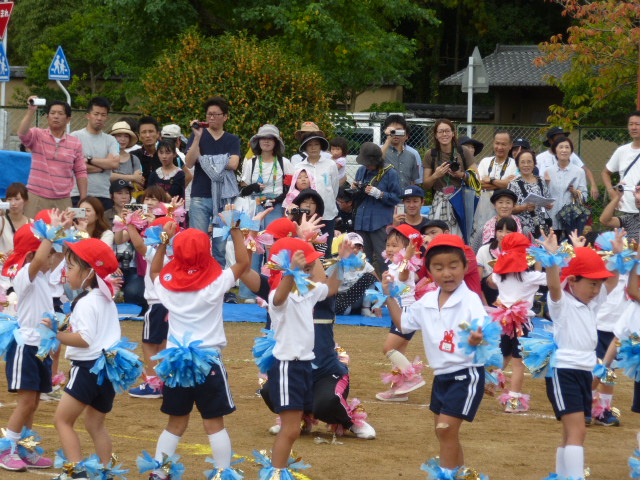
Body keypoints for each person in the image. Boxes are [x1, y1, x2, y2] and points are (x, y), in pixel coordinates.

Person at [145, 219, 249, 479]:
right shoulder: (214, 285)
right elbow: (243, 264)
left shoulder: (168, 287)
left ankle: (158, 472)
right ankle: (222, 473)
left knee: (175, 423)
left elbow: (155, 273)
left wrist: (163, 243)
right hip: (208, 361)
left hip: (177, 364)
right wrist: (235, 229)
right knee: (214, 424)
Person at [382, 234, 486, 473]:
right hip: (442, 377)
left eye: (453, 266)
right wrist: (389, 296)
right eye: (438, 267)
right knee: (445, 434)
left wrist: (477, 337)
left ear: (465, 267)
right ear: (429, 271)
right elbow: (403, 323)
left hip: (466, 374)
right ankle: (459, 475)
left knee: (445, 430)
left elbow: (482, 327)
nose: (446, 273)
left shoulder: (470, 300)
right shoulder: (427, 300)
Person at [262, 236, 357, 474]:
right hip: (286, 366)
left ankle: (278, 472)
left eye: (308, 266)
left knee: (292, 429)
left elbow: (332, 288)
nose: (310, 269)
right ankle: (276, 473)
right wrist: (290, 272)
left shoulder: (308, 290)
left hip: (303, 365)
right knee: (291, 429)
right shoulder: (278, 295)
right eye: (306, 266)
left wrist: (342, 264)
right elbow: (280, 298)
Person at [536, 230, 621, 479]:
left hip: (585, 372)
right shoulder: (561, 303)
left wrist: (616, 256)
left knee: (570, 432)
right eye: (592, 283)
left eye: (598, 284)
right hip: (564, 372)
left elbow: (612, 282)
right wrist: (551, 259)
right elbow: (553, 285)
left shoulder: (591, 304)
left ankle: (565, 476)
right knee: (578, 431)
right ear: (572, 281)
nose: (596, 289)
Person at [48, 238, 121, 478]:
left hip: (87, 368)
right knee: (95, 424)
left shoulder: (87, 302)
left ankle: (77, 470)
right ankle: (104, 471)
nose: (66, 273)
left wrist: (55, 334)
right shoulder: (105, 298)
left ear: (89, 272)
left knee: (62, 420)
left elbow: (84, 339)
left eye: (70, 268)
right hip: (107, 370)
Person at [0, 222, 57, 472]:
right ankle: (6, 448)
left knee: (33, 403)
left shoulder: (42, 276)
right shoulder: (26, 275)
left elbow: (50, 256)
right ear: (33, 255)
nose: (52, 258)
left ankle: (24, 446)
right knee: (26, 402)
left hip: (40, 347)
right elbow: (38, 259)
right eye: (48, 253)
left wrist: (63, 230)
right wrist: (50, 232)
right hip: (26, 347)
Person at [489, 232, 546, 413]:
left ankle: (489, 381)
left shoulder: (498, 276)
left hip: (503, 319)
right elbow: (554, 280)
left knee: (504, 355)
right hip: (521, 323)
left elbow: (491, 279)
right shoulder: (530, 277)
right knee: (518, 362)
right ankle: (513, 399)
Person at [238, 124, 293, 302]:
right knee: (251, 246)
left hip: (276, 207)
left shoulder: (285, 163)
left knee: (274, 249)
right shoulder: (251, 161)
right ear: (258, 141)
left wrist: (277, 200)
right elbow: (243, 189)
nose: (266, 141)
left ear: (276, 142)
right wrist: (253, 187)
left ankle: (273, 291)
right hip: (254, 206)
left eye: (270, 138)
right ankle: (248, 293)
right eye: (263, 138)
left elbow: (290, 189)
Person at [185, 96, 241, 270]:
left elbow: (234, 163)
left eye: (216, 114)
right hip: (200, 196)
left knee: (220, 245)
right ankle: (197, 279)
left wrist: (205, 159)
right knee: (197, 242)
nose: (212, 118)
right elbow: (189, 162)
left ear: (225, 117)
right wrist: (196, 138)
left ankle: (218, 282)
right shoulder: (197, 136)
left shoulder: (232, 139)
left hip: (224, 200)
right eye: (209, 114)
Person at [376, 224, 426, 402]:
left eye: (394, 245)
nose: (389, 249)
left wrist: (408, 258)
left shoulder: (406, 266)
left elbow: (405, 276)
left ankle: (413, 378)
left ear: (407, 249)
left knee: (388, 349)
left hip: (407, 313)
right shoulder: (392, 266)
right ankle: (399, 390)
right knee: (399, 353)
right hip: (399, 312)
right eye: (388, 245)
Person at [17, 97, 87, 217]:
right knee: (33, 233)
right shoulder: (37, 134)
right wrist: (31, 110)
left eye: (60, 113)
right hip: (35, 197)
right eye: (52, 113)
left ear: (68, 119)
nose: (56, 116)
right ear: (47, 117)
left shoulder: (75, 143)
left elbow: (81, 171)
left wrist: (84, 198)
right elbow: (22, 134)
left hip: (63, 199)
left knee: (62, 234)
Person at [422, 119, 477, 238]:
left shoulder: (463, 151)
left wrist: (461, 175)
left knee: (460, 236)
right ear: (436, 135)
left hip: (460, 199)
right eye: (440, 131)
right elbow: (425, 185)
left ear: (453, 133)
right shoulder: (430, 154)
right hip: (440, 199)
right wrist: (436, 175)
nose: (444, 134)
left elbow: (476, 178)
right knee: (437, 236)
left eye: (447, 131)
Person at [352, 142, 401, 275]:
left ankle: (388, 287)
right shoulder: (361, 171)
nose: (367, 165)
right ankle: (362, 289)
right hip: (361, 221)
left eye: (369, 163)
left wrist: (380, 194)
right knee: (362, 258)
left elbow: (397, 198)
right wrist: (355, 190)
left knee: (383, 257)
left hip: (379, 222)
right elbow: (356, 198)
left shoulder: (390, 173)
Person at [70, 97, 120, 211]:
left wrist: (88, 160)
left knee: (102, 228)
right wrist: (103, 167)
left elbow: (114, 164)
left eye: (103, 115)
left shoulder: (110, 140)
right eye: (96, 114)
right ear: (88, 115)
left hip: (103, 195)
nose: (99, 118)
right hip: (77, 195)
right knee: (78, 227)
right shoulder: (75, 137)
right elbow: (74, 166)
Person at [295, 126, 339, 249]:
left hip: (327, 213)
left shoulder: (330, 164)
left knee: (325, 248)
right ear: (305, 148)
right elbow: (296, 190)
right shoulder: (299, 166)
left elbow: (334, 188)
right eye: (309, 145)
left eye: (316, 144)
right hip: (306, 214)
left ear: (321, 146)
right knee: (306, 247)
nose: (313, 147)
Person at [109, 180, 146, 309]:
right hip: (113, 265)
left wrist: (147, 222)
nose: (124, 196)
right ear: (111, 196)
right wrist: (120, 220)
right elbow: (118, 240)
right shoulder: (105, 215)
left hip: (136, 266)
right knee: (109, 293)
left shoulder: (142, 217)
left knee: (133, 294)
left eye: (127, 193)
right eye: (119, 193)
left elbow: (165, 241)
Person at [472, 131, 517, 238]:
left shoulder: (514, 164)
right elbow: (478, 184)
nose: (499, 147)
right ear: (493, 143)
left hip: (504, 210)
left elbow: (511, 185)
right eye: (497, 143)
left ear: (510, 146)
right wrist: (503, 184)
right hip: (483, 209)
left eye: (503, 144)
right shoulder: (485, 161)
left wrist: (490, 180)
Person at [537, 126, 598, 200]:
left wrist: (593, 185)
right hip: (550, 205)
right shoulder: (540, 158)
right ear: (550, 140)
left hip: (569, 206)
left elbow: (585, 170)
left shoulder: (573, 159)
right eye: (558, 138)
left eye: (567, 147)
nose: (564, 150)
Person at [544, 136, 588, 238]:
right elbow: (545, 194)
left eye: (567, 147)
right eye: (561, 147)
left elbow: (585, 196)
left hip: (571, 217)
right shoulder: (548, 171)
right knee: (552, 248)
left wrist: (574, 192)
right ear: (555, 150)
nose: (564, 150)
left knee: (571, 247)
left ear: (571, 151)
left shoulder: (579, 172)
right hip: (552, 216)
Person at [508, 150, 554, 238]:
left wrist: (548, 205)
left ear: (534, 164)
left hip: (541, 226)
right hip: (522, 227)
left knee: (542, 250)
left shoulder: (541, 181)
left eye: (529, 162)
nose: (526, 165)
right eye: (522, 162)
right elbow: (509, 208)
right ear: (518, 165)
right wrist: (523, 207)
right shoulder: (513, 184)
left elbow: (547, 199)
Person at [602, 111, 640, 214]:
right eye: (631, 124)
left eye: (637, 124)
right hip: (624, 208)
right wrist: (612, 193)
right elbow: (605, 173)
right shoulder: (622, 151)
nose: (633, 127)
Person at [476, 216, 519, 306]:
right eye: (500, 231)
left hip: (513, 295)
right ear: (495, 232)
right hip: (489, 294)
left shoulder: (520, 252)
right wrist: (485, 306)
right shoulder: (483, 250)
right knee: (494, 278)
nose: (503, 235)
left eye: (508, 232)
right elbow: (477, 281)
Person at [381, 114, 420, 191]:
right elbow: (377, 161)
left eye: (399, 130)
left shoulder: (411, 155)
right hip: (385, 198)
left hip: (405, 199)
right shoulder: (380, 151)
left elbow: (413, 182)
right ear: (386, 131)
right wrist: (388, 139)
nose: (395, 133)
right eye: (392, 130)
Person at [110, 121, 144, 191]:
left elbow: (139, 180)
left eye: (126, 136)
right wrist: (132, 178)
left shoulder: (134, 159)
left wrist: (133, 180)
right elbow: (107, 176)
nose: (123, 139)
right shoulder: (105, 156)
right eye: (119, 136)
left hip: (129, 199)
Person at [132, 116, 162, 181]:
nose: (148, 135)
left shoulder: (167, 154)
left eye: (151, 131)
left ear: (158, 134)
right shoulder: (133, 156)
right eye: (144, 132)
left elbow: (187, 176)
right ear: (139, 136)